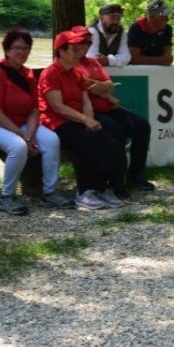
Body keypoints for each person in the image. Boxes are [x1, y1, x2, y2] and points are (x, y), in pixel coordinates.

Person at [0, 28, 74, 215]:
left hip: (21, 124)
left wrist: (31, 132)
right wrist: (23, 136)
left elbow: (34, 109)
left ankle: (50, 192)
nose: (21, 52)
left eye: (26, 48)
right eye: (17, 48)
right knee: (18, 147)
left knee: (52, 140)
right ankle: (6, 197)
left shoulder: (27, 74)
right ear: (7, 49)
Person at [39, 29, 128, 211]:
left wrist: (90, 120)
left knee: (108, 139)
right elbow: (58, 107)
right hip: (55, 122)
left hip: (76, 119)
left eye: (81, 49)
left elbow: (85, 101)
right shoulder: (51, 73)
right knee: (87, 142)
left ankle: (103, 187)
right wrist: (85, 121)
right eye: (74, 50)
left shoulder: (76, 73)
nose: (79, 53)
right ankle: (85, 192)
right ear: (61, 51)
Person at [73, 27, 155, 192]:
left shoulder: (93, 62)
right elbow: (89, 86)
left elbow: (109, 85)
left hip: (109, 107)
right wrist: (104, 89)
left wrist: (103, 88)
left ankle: (135, 176)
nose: (85, 45)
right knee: (116, 132)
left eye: (89, 42)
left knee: (142, 126)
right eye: (81, 42)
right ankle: (115, 181)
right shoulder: (70, 64)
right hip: (89, 110)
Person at [127, 0, 174, 65]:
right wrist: (161, 60)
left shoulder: (167, 29)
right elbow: (134, 59)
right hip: (138, 71)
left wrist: (163, 60)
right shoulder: (136, 28)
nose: (167, 19)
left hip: (159, 71)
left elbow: (168, 58)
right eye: (164, 15)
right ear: (151, 17)